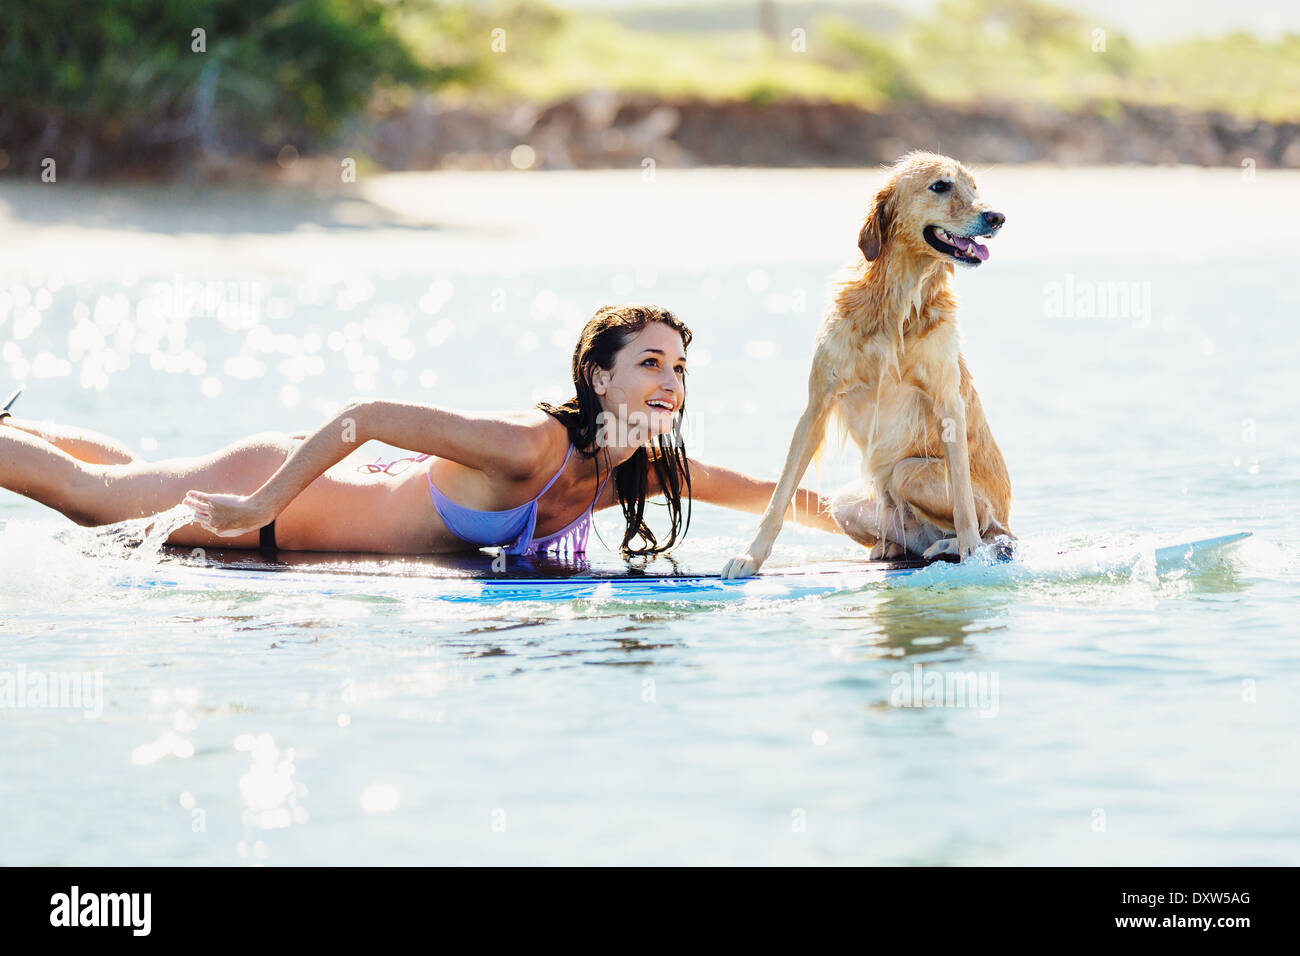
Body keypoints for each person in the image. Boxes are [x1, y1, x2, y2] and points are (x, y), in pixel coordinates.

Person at [1, 304, 843, 557]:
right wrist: (256, 500)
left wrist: (918, 533)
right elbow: (366, 416)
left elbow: (778, 498)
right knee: (83, 495)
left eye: (681, 370)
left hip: (308, 502)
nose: (670, 381)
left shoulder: (641, 470)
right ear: (599, 377)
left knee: (132, 473)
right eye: (651, 364)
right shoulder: (530, 445)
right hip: (281, 507)